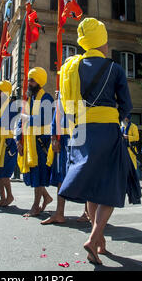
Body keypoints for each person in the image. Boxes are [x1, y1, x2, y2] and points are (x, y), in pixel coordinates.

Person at [57, 18, 141, 265]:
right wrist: (116, 115)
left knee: (93, 185)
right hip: (107, 130)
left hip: (81, 130)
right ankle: (93, 238)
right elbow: (126, 106)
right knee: (111, 186)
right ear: (102, 41)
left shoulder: (71, 67)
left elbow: (67, 105)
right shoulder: (114, 69)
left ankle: (100, 240)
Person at [41, 92, 89, 225]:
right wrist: (53, 137)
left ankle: (87, 211)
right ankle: (59, 212)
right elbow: (57, 113)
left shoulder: (84, 82)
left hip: (81, 134)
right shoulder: (62, 88)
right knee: (61, 174)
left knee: (82, 173)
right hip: (63, 137)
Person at [16, 67, 54, 217]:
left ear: (38, 82)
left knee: (38, 175)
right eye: (29, 80)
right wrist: (18, 139)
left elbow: (45, 119)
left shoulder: (47, 99)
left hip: (41, 142)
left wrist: (27, 119)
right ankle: (46, 197)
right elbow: (20, 121)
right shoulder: (29, 99)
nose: (29, 83)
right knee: (34, 174)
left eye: (31, 80)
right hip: (28, 141)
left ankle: (35, 206)